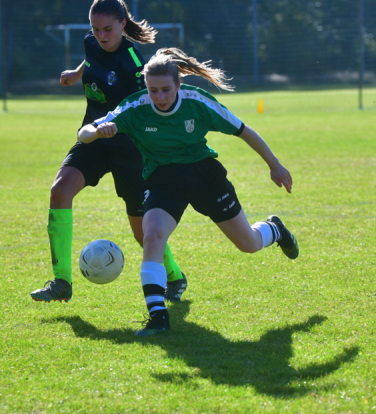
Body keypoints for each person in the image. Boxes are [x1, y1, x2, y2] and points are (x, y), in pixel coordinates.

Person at [77, 48, 299, 336]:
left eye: (166, 90)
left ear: (179, 85)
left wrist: (275, 166)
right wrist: (97, 131)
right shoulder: (135, 107)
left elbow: (244, 130)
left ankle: (275, 229)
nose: (159, 97)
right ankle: (158, 316)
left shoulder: (198, 103)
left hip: (205, 175)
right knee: (152, 235)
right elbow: (84, 133)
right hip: (163, 179)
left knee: (249, 244)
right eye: (153, 90)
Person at [30, 0, 188, 303]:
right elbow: (91, 59)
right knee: (60, 191)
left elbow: (147, 108)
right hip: (93, 139)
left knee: (142, 231)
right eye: (95, 28)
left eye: (107, 30)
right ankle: (61, 281)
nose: (100, 35)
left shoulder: (133, 64)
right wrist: (77, 74)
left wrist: (120, 125)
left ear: (123, 26)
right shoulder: (92, 41)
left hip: (130, 149)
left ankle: (174, 276)